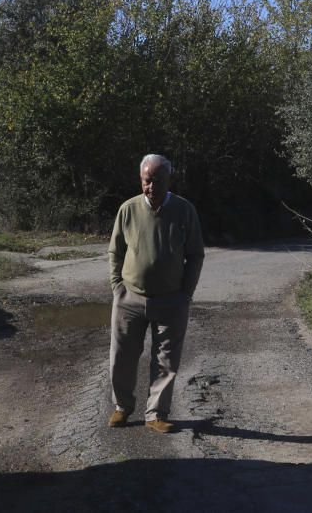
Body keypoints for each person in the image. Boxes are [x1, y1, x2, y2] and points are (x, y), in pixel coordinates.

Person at [107, 154, 204, 434]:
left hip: (171, 300)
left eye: (157, 181)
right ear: (141, 179)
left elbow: (196, 254)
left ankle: (156, 414)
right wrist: (117, 287)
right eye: (147, 181)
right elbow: (115, 251)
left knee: (166, 360)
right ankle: (122, 407)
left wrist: (186, 294)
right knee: (122, 357)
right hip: (130, 299)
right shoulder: (128, 209)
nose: (151, 186)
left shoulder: (185, 211)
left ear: (169, 181)